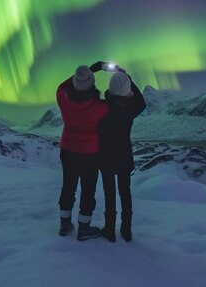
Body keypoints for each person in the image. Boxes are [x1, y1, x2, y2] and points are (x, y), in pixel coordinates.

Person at [56, 63, 108, 241]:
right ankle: (84, 228)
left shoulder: (64, 99)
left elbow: (62, 86)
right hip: (89, 154)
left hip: (67, 150)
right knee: (88, 190)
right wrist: (92, 72)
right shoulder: (100, 107)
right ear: (92, 84)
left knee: (68, 186)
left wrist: (84, 73)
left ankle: (64, 224)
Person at [97, 66, 145, 242]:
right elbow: (141, 101)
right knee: (125, 193)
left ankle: (109, 229)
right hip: (124, 156)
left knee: (109, 194)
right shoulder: (130, 108)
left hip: (105, 157)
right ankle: (126, 229)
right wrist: (126, 76)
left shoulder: (101, 107)